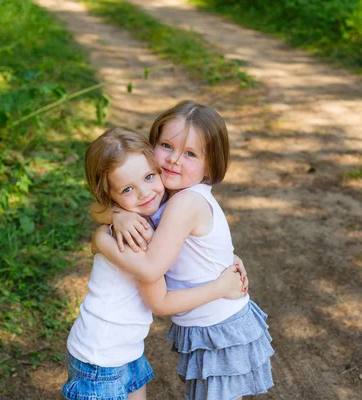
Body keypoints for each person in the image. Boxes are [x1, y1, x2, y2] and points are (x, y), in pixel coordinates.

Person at [92, 101, 275, 399]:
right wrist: (115, 215)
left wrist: (101, 241)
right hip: (209, 323)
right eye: (166, 145)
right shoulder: (160, 193)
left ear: (210, 165)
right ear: (152, 145)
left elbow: (151, 270)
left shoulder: (184, 202)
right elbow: (99, 207)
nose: (174, 160)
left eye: (190, 153)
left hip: (218, 326)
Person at [63, 127, 248, 400]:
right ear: (110, 195)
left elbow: (185, 245)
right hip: (99, 356)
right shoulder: (137, 236)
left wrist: (225, 256)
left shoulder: (147, 212)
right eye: (127, 189)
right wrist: (221, 286)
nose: (145, 193)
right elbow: (158, 293)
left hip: (125, 351)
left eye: (150, 176)